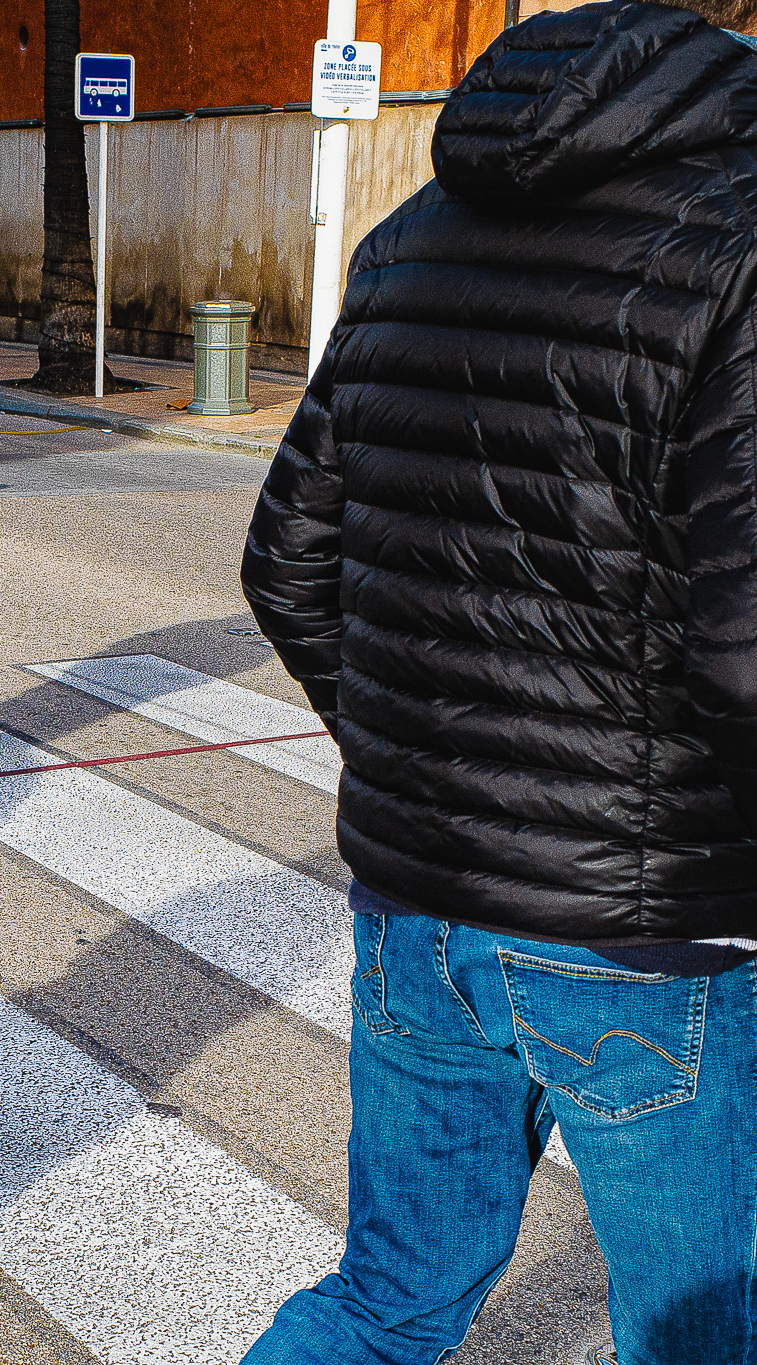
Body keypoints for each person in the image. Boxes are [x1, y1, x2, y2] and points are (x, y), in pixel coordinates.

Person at [239, 3, 757, 1363]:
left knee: (390, 1298)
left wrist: (431, 772)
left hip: (422, 906)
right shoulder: (741, 250)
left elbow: (287, 562)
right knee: (697, 1336)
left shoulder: (409, 240)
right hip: (646, 932)